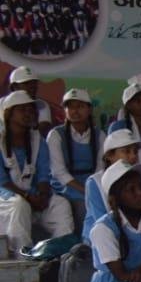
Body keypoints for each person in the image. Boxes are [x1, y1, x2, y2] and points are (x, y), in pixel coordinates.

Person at [0, 91, 74, 251]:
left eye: (31, 109)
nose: (29, 113)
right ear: (8, 114)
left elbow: (43, 175)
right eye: (22, 109)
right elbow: (2, 181)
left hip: (33, 197)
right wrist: (27, 197)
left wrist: (43, 195)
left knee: (61, 205)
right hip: (6, 200)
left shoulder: (37, 140)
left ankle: (60, 256)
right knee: (20, 205)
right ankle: (23, 258)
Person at [47, 88, 98, 232]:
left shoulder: (99, 135)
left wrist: (92, 189)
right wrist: (85, 191)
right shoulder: (56, 135)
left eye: (80, 106)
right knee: (83, 205)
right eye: (70, 107)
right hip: (64, 187)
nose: (75, 111)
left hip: (90, 183)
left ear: (89, 109)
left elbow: (100, 169)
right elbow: (59, 172)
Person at [83, 128, 141, 242]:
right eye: (126, 151)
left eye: (135, 151)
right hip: (102, 238)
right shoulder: (94, 182)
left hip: (132, 235)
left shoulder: (140, 178)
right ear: (109, 156)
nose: (133, 156)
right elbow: (101, 219)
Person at [7, 65, 53, 132]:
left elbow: (44, 129)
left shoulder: (41, 104)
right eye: (26, 83)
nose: (32, 86)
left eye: (34, 83)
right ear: (14, 87)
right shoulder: (2, 103)